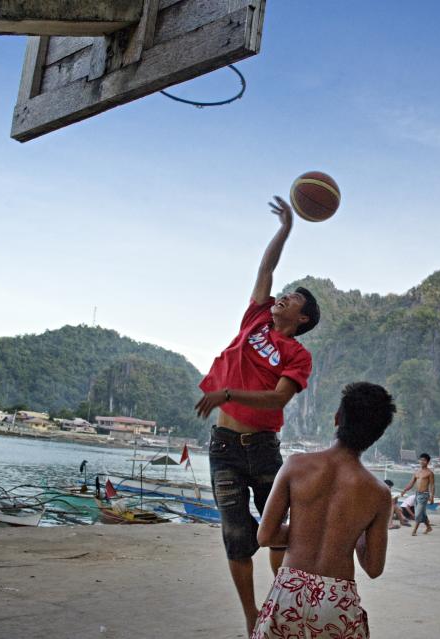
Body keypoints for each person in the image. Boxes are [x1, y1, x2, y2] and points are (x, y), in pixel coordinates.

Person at [194, 196, 321, 634]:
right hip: (224, 448)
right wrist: (284, 230)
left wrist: (228, 390)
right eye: (283, 295)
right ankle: (252, 618)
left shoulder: (297, 353)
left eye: (290, 300)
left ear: (301, 318)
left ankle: (280, 605)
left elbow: (279, 400)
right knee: (235, 536)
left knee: (276, 530)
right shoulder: (255, 319)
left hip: (263, 449)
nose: (280, 298)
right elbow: (265, 270)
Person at [253, 382, 396, 639]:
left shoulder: (295, 466)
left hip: (289, 591)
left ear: (337, 418)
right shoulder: (379, 494)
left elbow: (265, 536)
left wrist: (303, 532)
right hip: (337, 600)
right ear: (377, 435)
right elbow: (374, 567)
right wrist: (349, 532)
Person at [401, 453, 435, 536]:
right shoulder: (417, 472)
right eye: (421, 460)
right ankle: (428, 527)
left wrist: (432, 496)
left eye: (424, 460)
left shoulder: (430, 473)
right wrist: (404, 490)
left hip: (424, 495)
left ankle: (414, 530)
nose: (422, 461)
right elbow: (411, 483)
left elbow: (432, 485)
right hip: (417, 494)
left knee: (418, 513)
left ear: (427, 462)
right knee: (422, 513)